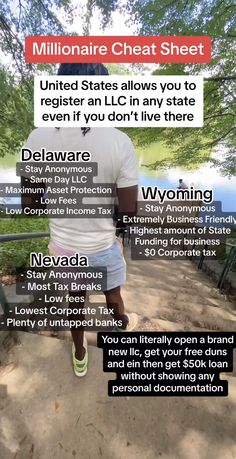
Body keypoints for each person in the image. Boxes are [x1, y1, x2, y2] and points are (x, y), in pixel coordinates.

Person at [21, 63, 139, 377]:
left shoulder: (38, 137)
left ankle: (79, 352)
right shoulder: (120, 141)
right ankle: (120, 329)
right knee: (113, 294)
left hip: (64, 248)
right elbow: (129, 211)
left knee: (76, 302)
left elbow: (29, 204)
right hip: (103, 245)